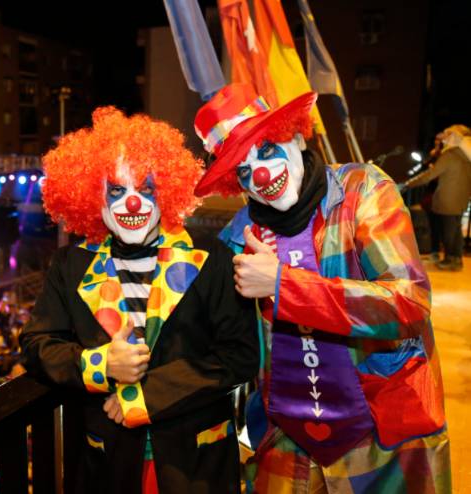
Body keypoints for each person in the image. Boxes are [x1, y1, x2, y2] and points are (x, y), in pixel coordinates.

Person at [193, 83, 450, 492]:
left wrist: (284, 284)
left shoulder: (361, 191)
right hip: (288, 436)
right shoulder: (238, 237)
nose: (260, 175)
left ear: (296, 136)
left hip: (382, 433)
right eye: (244, 170)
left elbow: (409, 303)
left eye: (267, 150)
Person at [21, 107, 258, 494]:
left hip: (196, 464)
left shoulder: (211, 257)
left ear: (166, 191)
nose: (132, 203)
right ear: (93, 197)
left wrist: (148, 395)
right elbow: (36, 345)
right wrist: (100, 364)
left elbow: (240, 354)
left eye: (146, 189)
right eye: (117, 191)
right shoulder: (71, 265)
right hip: (109, 464)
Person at [403, 124, 471, 271]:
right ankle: (456, 259)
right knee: (456, 230)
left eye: (448, 135)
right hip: (461, 199)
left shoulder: (450, 155)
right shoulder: (466, 156)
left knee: (448, 231)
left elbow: (430, 175)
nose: (444, 139)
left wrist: (408, 184)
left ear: (455, 137)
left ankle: (450, 259)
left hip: (448, 199)